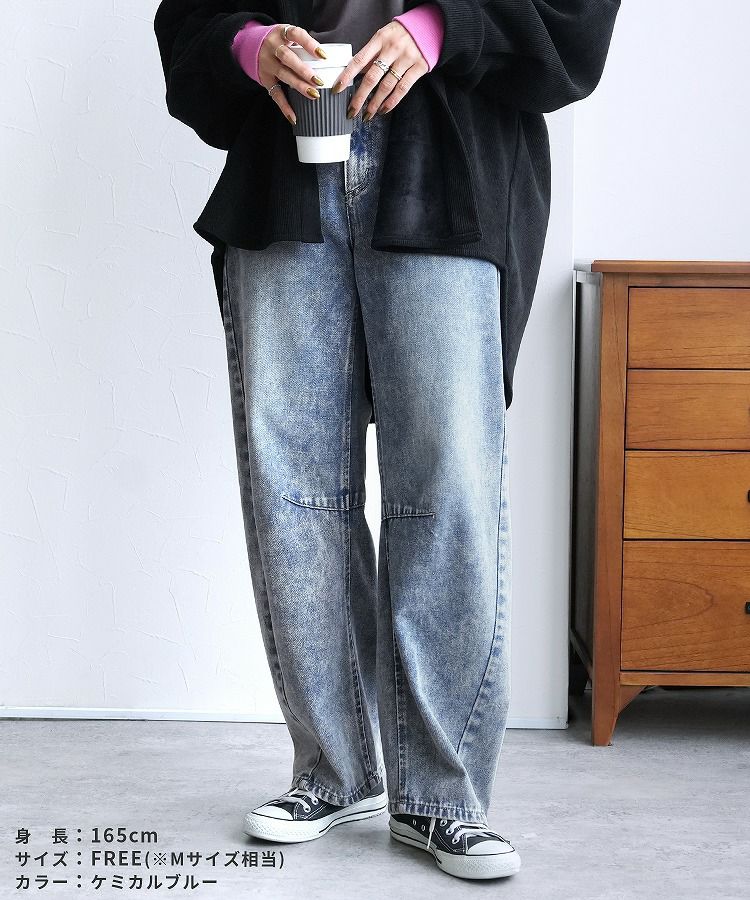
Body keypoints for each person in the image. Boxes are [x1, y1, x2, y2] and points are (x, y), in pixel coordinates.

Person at [154, 0, 620, 881]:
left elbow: (580, 18)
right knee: (292, 489)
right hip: (287, 162)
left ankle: (442, 796)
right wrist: (251, 46)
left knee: (446, 486)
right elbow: (188, 15)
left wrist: (441, 27)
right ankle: (333, 772)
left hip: (449, 161)